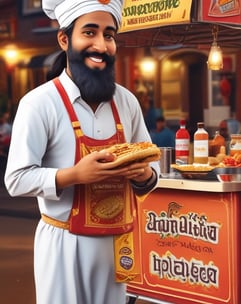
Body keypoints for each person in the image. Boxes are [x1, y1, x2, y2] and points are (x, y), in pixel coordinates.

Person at [4, 1, 159, 303]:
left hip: (117, 244)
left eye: (109, 35)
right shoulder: (39, 103)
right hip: (64, 243)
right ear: (65, 39)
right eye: (89, 32)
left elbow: (151, 170)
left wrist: (144, 174)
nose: (101, 45)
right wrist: (75, 175)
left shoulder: (127, 101)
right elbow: (16, 179)